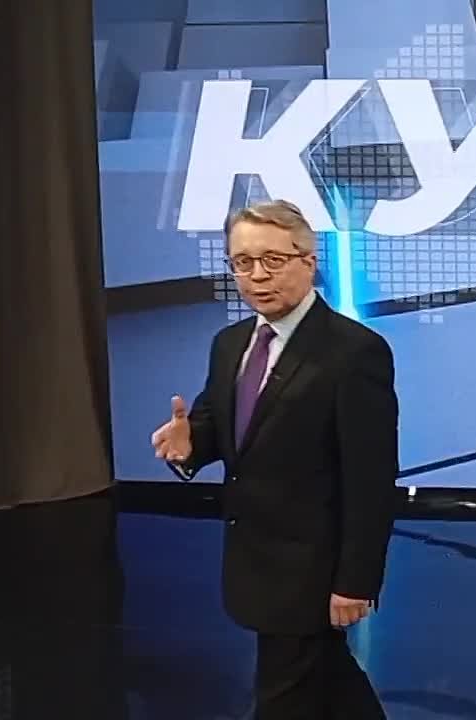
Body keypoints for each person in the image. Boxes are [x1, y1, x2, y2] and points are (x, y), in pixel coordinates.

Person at [149, 199, 397, 718]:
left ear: (308, 261)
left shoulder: (354, 352)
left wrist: (355, 581)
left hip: (312, 566)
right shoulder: (229, 344)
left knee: (284, 696)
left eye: (273, 260)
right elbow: (219, 426)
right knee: (329, 680)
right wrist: (190, 444)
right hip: (254, 558)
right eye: (242, 262)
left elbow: (370, 480)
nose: (257, 276)